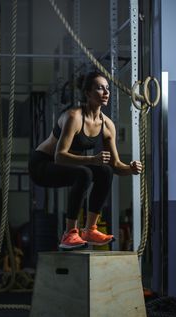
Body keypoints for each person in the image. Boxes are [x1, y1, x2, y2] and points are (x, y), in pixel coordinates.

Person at [28, 71, 142, 250]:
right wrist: (92, 159)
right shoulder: (74, 117)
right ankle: (69, 233)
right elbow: (59, 156)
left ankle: (90, 229)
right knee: (85, 172)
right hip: (42, 165)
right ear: (88, 93)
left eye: (107, 88)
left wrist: (131, 168)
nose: (105, 92)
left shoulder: (107, 125)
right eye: (99, 88)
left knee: (105, 171)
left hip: (69, 164)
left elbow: (116, 165)